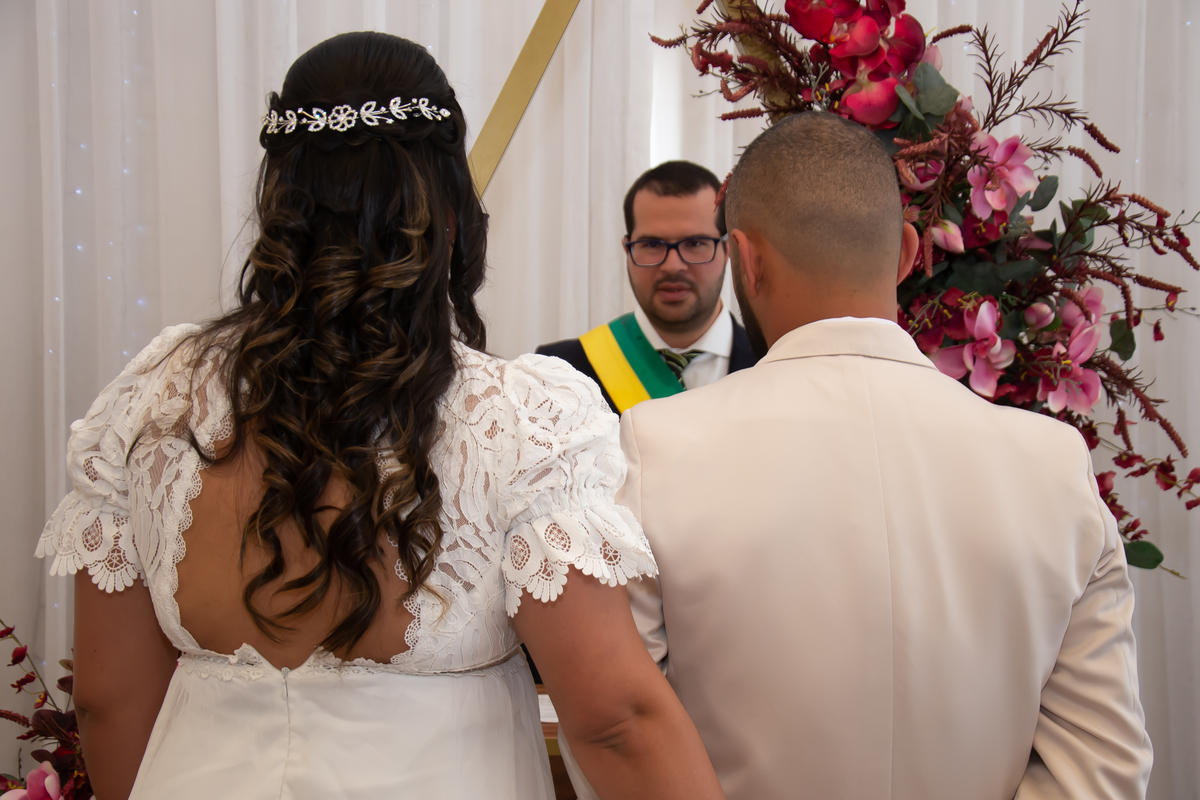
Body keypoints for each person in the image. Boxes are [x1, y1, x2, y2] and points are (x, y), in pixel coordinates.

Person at [35, 32, 725, 800]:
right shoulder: (520, 420)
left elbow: (108, 699)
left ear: (279, 203)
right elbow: (616, 721)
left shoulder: (152, 398)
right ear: (448, 210)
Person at [607, 112, 1153, 798]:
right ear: (906, 254)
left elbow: (623, 731)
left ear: (744, 258)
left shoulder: (656, 450)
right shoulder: (1051, 463)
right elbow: (1104, 769)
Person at [536, 161, 758, 415]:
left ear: (728, 249)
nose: (673, 266)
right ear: (627, 250)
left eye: (695, 243)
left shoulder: (772, 363)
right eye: (652, 245)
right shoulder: (558, 373)